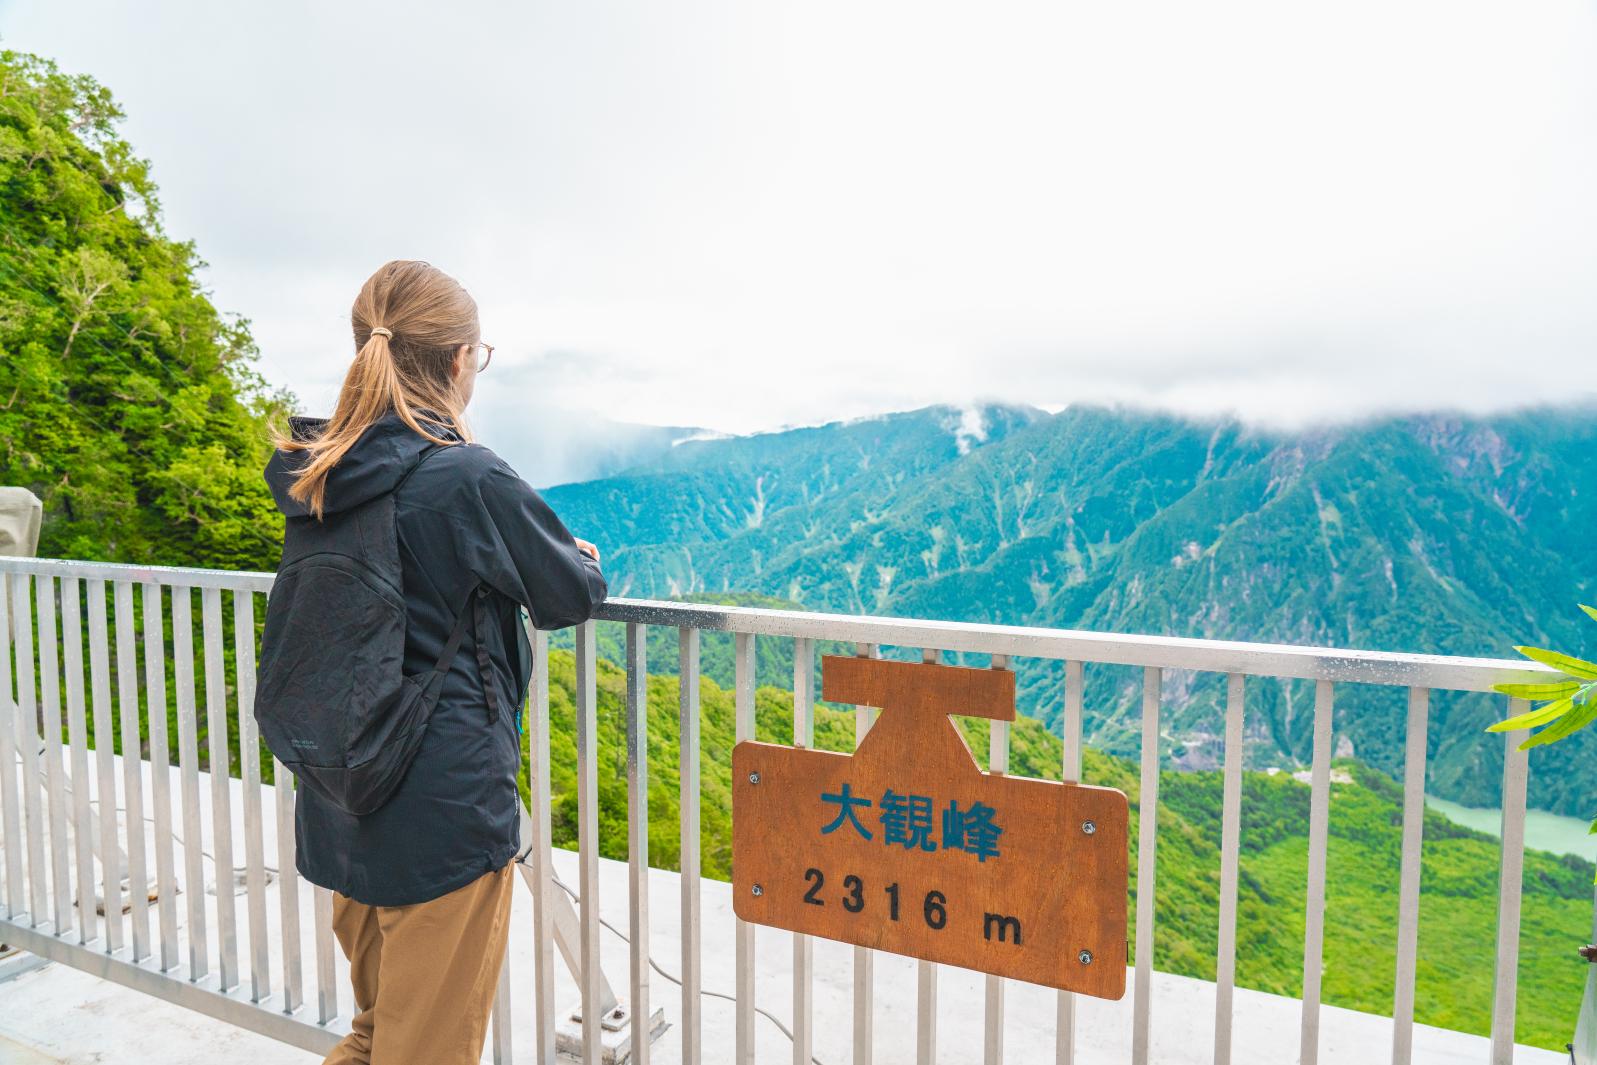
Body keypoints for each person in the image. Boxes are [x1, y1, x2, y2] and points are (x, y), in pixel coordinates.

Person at [262, 259, 606, 1065]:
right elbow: (566, 594)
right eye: (478, 356)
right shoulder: (465, 473)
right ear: (458, 361)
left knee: (377, 1033)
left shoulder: (318, 469)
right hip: (441, 812)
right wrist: (582, 558)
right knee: (427, 1052)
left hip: (343, 792)